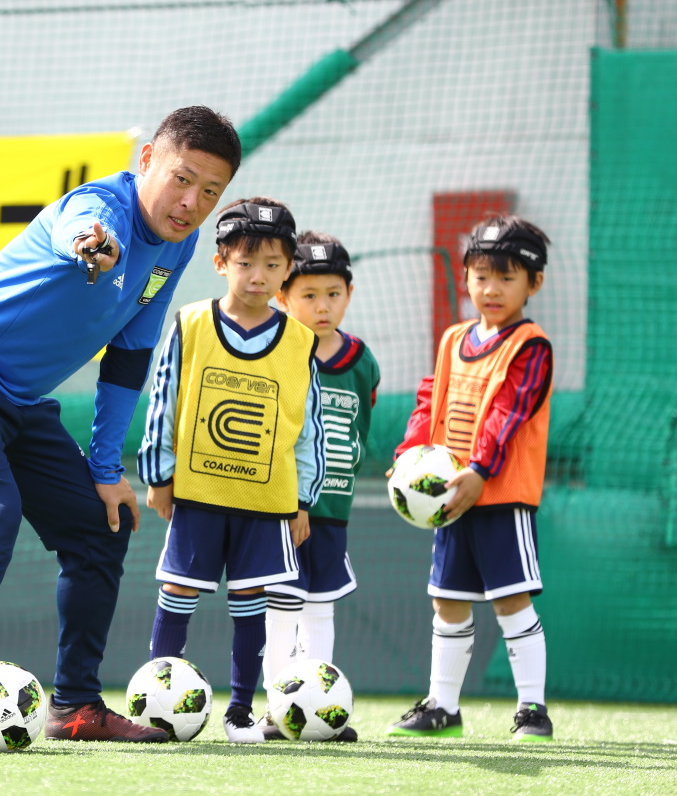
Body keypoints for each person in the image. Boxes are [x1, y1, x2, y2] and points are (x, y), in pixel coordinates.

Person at [0, 106, 242, 746]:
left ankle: (75, 707)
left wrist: (107, 472)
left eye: (210, 192)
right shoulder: (98, 206)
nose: (191, 202)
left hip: (15, 401)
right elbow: (80, 229)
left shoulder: (179, 243)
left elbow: (129, 359)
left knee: (102, 526)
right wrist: (92, 249)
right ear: (147, 163)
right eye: (181, 179)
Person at [135, 198, 325, 744]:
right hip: (197, 494)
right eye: (246, 262)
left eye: (272, 263)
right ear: (221, 263)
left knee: (251, 604)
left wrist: (303, 499)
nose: (258, 275)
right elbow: (163, 399)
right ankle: (158, 702)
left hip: (268, 504)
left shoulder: (299, 341)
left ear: (289, 268)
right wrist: (159, 474)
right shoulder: (191, 322)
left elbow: (307, 426)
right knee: (177, 590)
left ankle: (240, 712)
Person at [385, 215, 555, 742]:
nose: (492, 288)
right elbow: (428, 400)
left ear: (534, 283)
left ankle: (532, 709)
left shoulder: (530, 345)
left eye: (507, 277)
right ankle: (443, 707)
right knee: (446, 600)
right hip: (449, 502)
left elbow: (509, 412)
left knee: (511, 600)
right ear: (466, 279)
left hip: (499, 498)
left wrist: (480, 470)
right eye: (481, 276)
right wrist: (409, 453)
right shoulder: (454, 338)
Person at [259, 231, 379, 743]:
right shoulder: (279, 352)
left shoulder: (362, 360)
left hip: (333, 509)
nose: (322, 305)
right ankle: (275, 710)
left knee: (321, 605)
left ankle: (322, 709)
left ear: (348, 294)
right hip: (283, 508)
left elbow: (362, 430)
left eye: (333, 293)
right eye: (308, 295)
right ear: (283, 297)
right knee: (281, 608)